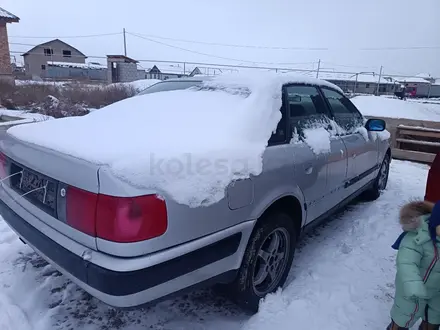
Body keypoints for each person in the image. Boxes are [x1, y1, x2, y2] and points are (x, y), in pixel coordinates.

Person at [387, 200, 440, 330]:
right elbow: (406, 263)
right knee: (403, 317)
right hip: (412, 293)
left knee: (434, 319)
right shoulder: (416, 238)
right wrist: (414, 286)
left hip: (437, 293)